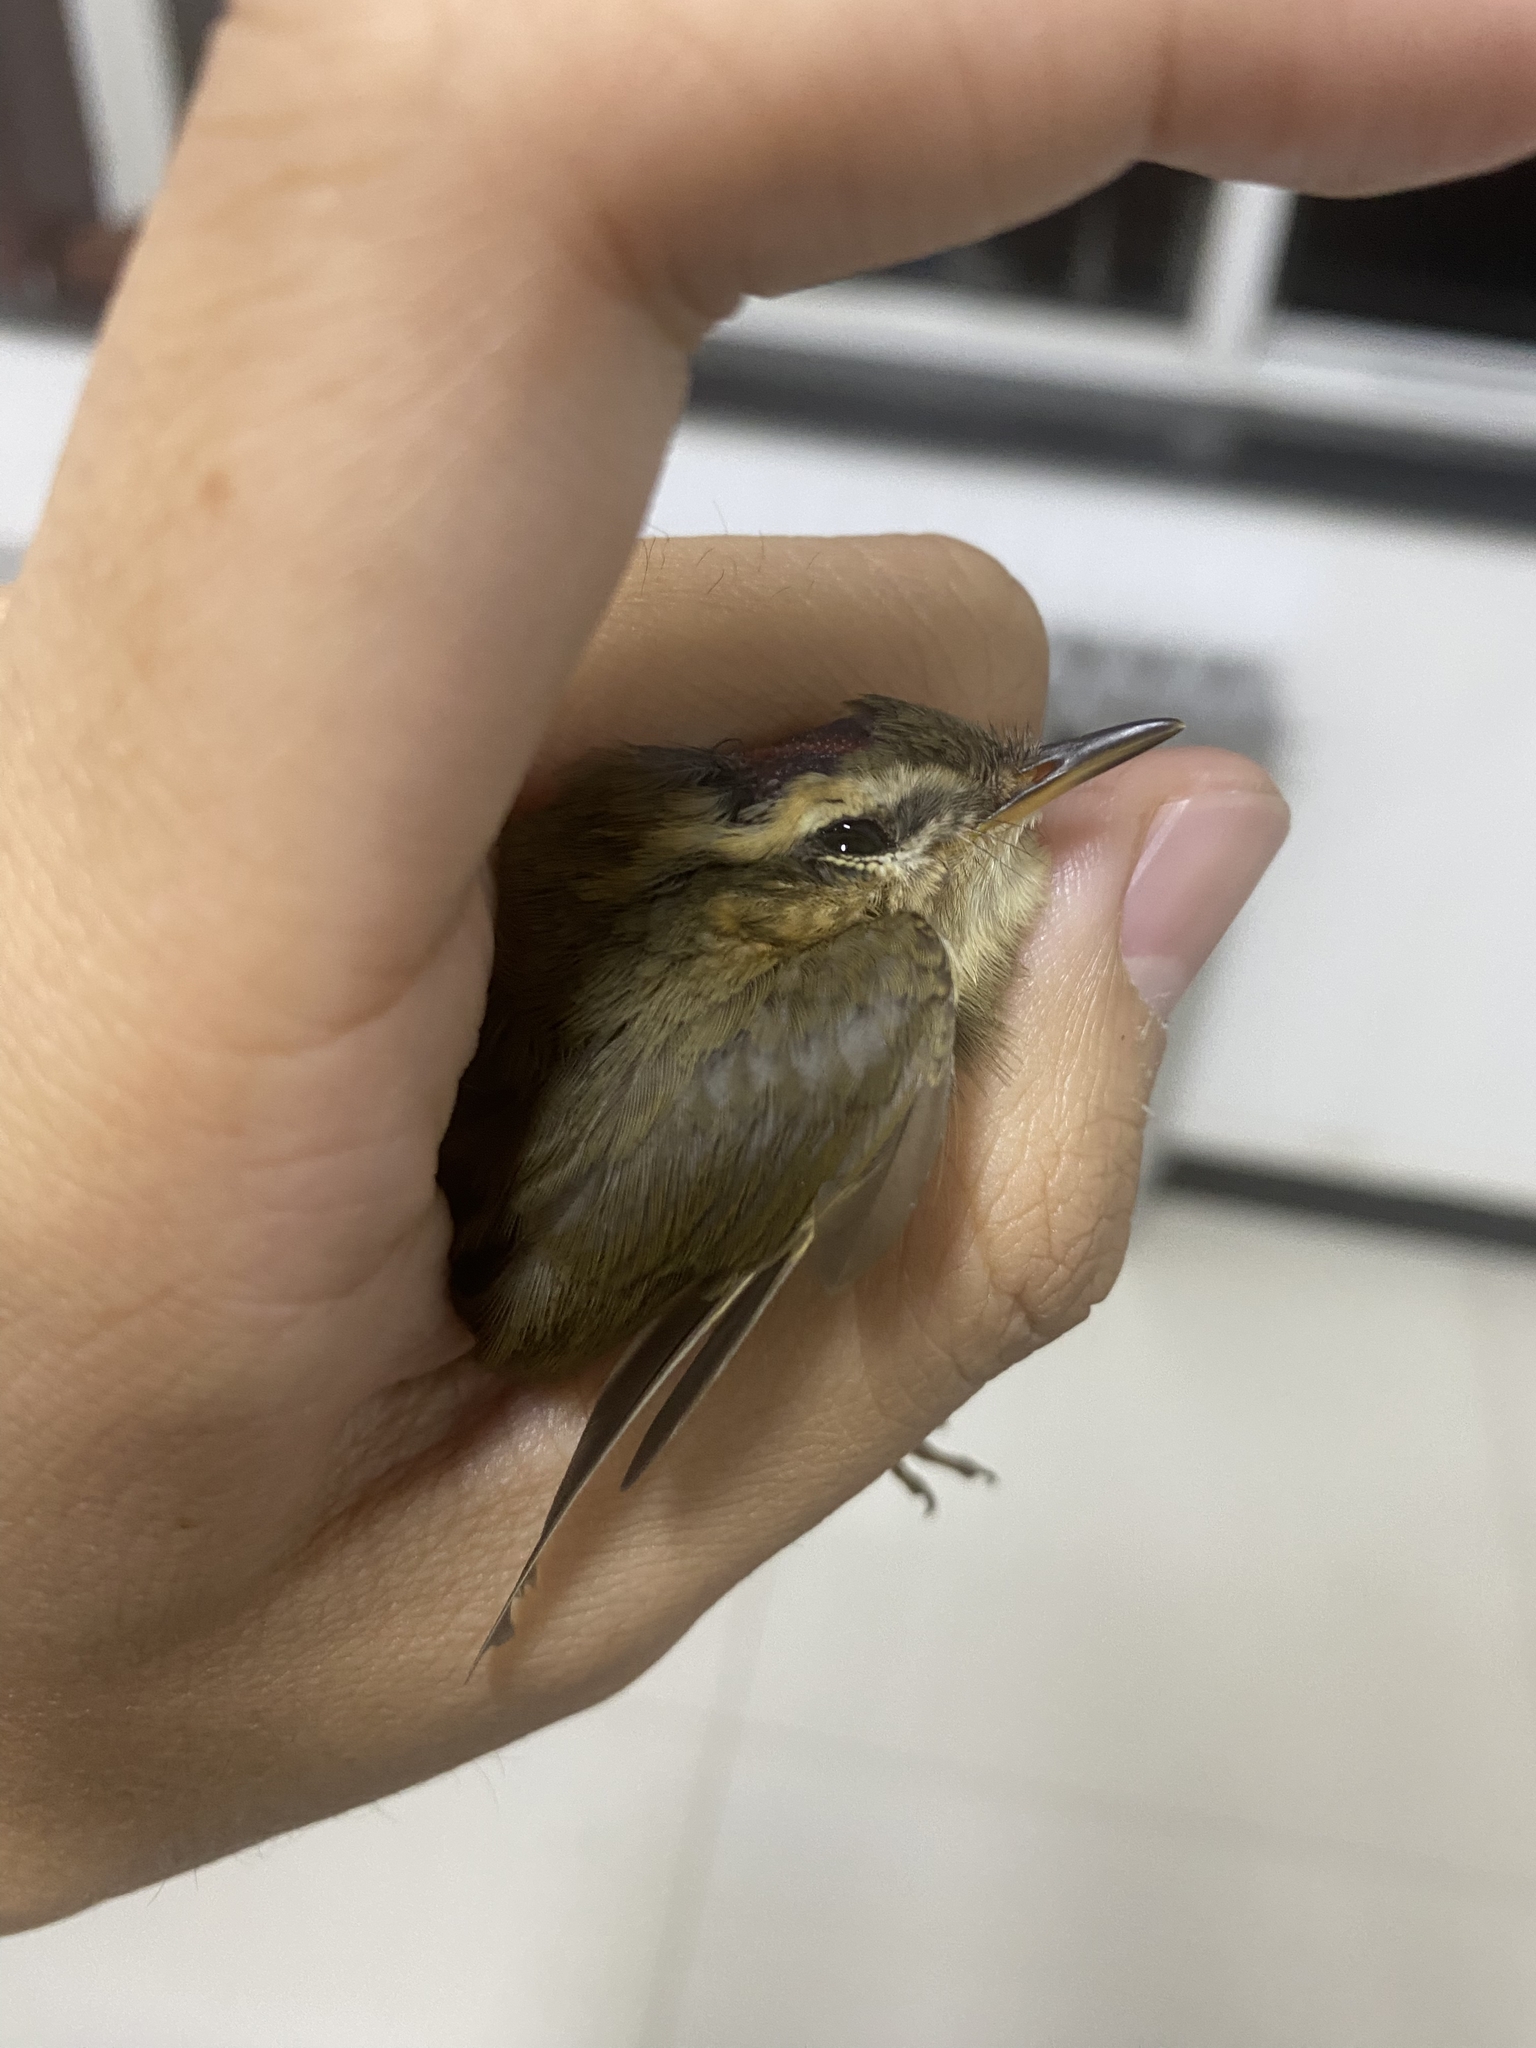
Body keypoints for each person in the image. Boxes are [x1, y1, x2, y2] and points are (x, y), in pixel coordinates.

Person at [1, 0, 1530, 1935]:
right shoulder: (864, 993)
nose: (1001, 823)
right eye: (902, 831)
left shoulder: (670, 850)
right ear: (826, 870)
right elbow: (595, 1306)